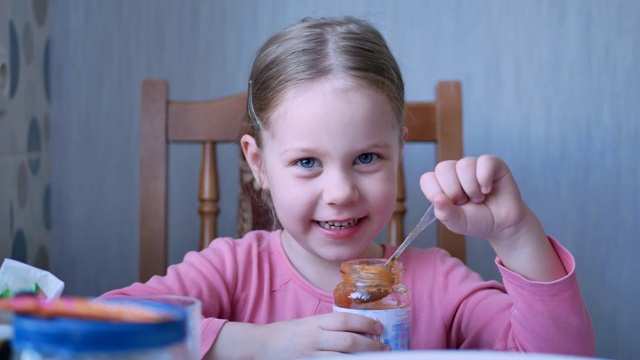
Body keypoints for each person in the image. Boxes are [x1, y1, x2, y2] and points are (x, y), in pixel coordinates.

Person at [101, 16, 595, 359]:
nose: (340, 191)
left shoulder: (438, 284)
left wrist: (515, 233)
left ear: (398, 153)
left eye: (366, 158)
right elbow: (102, 326)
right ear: (260, 164)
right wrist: (256, 345)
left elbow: (558, 358)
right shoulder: (233, 270)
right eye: (307, 162)